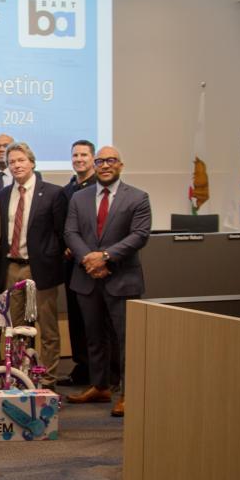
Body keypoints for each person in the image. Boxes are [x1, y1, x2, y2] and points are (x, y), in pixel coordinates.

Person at [65, 146, 151, 418]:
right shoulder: (79, 198)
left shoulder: (138, 197)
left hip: (122, 278)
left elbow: (139, 235)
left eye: (110, 160)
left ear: (120, 165)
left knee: (126, 340)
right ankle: (100, 386)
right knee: (94, 338)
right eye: (100, 161)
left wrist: (104, 257)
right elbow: (71, 231)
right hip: (87, 278)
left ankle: (128, 392)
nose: (104, 165)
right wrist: (89, 260)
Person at [0, 142, 67, 388]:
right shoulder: (3, 195)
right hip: (11, 267)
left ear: (32, 162)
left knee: (46, 328)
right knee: (14, 328)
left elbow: (61, 234)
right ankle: (17, 376)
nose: (16, 165)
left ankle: (46, 378)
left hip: (40, 269)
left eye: (21, 160)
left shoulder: (53, 193)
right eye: (12, 161)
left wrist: (50, 258)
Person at [58, 139, 98, 387]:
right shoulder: (68, 190)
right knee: (76, 318)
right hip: (72, 266)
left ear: (92, 158)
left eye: (84, 154)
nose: (79, 159)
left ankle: (102, 372)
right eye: (75, 155)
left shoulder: (100, 188)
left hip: (96, 264)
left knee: (95, 321)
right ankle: (83, 367)